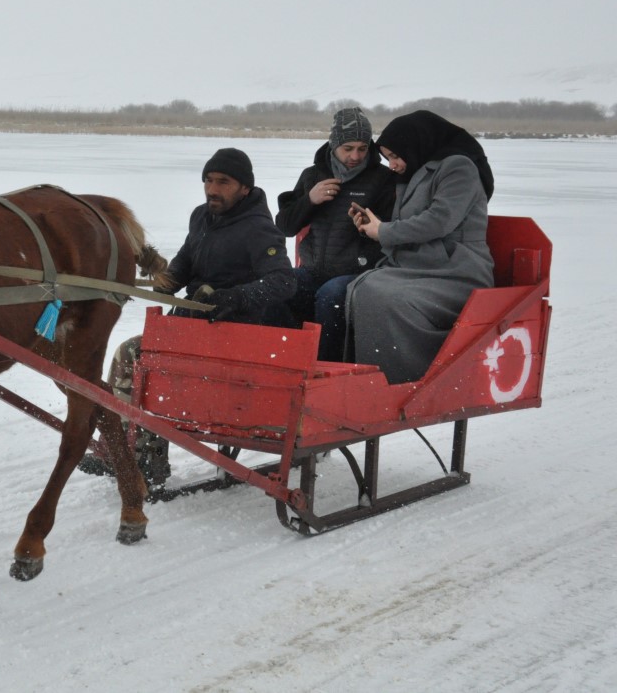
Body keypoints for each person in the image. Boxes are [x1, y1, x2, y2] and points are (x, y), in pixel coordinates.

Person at [79, 148, 296, 484]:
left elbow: (283, 282)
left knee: (135, 355)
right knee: (128, 355)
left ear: (245, 189)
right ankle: (129, 449)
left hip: (233, 335)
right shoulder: (201, 217)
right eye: (208, 180)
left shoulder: (259, 229)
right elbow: (184, 264)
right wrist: (157, 284)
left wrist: (237, 297)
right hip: (190, 330)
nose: (212, 189)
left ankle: (136, 450)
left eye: (223, 182)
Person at [345, 110, 495, 383]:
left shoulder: (459, 167)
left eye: (394, 156)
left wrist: (384, 231)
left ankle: (411, 378)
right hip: (420, 267)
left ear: (413, 144)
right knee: (358, 290)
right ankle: (361, 375)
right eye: (387, 158)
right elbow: (409, 223)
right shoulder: (413, 172)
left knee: (387, 299)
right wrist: (374, 225)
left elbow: (439, 220)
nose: (391, 165)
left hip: (455, 272)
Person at [275, 107, 396, 360]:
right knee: (276, 287)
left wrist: (366, 228)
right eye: (348, 148)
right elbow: (285, 226)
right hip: (313, 270)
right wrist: (309, 199)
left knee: (330, 296)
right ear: (334, 145)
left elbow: (391, 231)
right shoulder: (313, 176)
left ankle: (325, 370)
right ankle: (284, 360)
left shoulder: (383, 180)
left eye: (362, 148)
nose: (355, 156)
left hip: (361, 275)